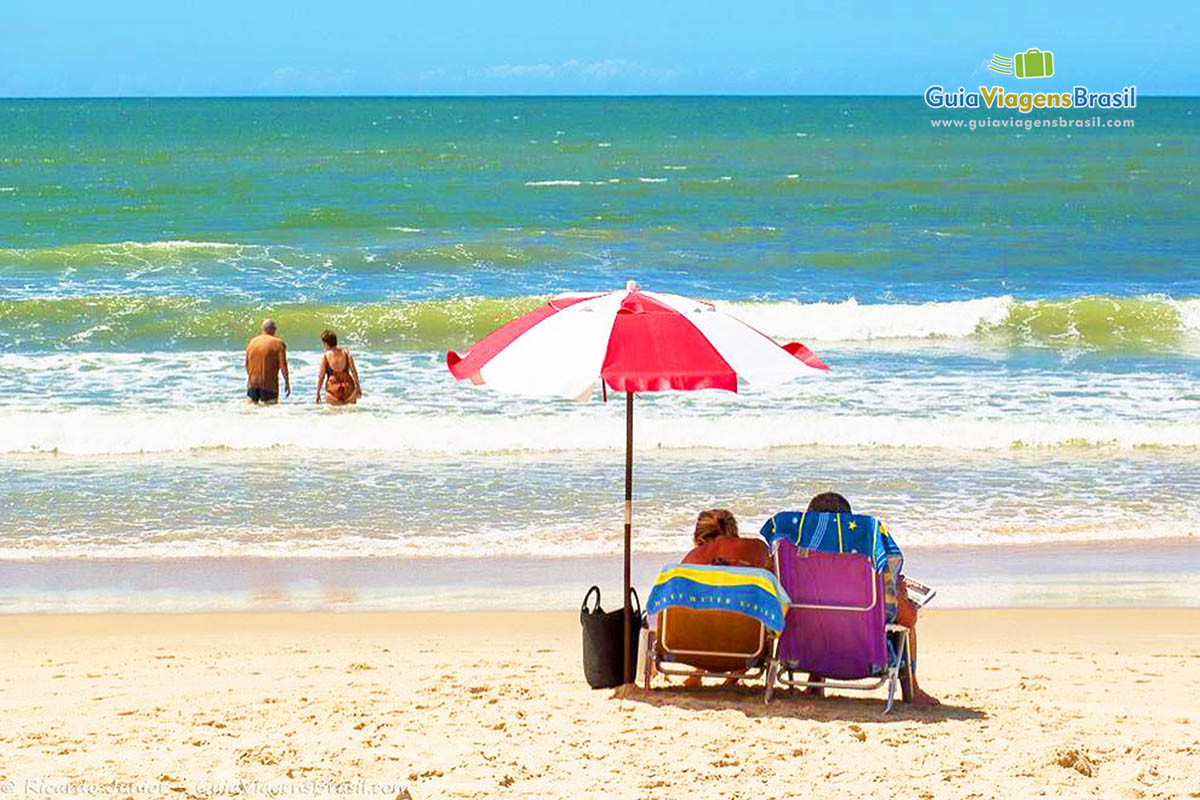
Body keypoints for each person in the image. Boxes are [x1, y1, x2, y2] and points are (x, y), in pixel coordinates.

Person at [803, 491, 939, 706]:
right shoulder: (868, 567)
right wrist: (901, 593)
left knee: (818, 617)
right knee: (905, 624)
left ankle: (814, 682)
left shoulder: (797, 568)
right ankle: (912, 689)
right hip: (864, 656)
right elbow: (909, 618)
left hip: (809, 652)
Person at [680, 510, 770, 689]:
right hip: (748, 646)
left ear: (700, 538)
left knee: (706, 610)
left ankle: (696, 673)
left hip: (692, 647)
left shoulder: (692, 560)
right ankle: (735, 675)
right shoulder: (758, 550)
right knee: (753, 611)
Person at [244, 318, 289, 404]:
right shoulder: (278, 343)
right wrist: (287, 382)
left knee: (252, 411)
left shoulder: (252, 342)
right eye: (275, 328)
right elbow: (283, 366)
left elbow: (247, 364)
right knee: (270, 412)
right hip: (269, 385)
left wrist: (251, 378)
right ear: (272, 329)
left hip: (252, 384)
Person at [314, 329, 361, 405]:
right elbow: (354, 371)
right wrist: (358, 387)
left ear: (326, 343)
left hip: (333, 390)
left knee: (334, 415)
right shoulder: (346, 353)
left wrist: (317, 393)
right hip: (348, 389)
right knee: (351, 415)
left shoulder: (325, 356)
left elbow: (321, 376)